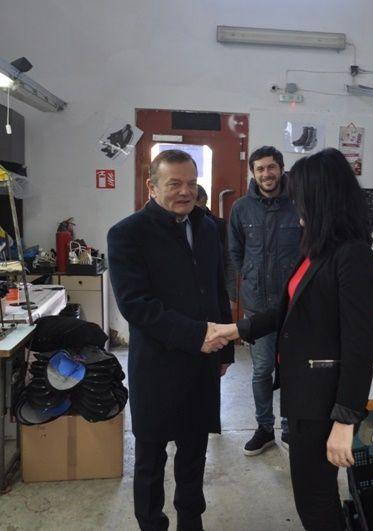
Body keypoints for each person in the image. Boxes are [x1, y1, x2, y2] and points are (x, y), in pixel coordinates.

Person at [212, 148, 373, 530]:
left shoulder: (353, 256)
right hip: (302, 395)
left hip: (324, 404)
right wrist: (236, 329)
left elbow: (360, 345)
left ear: (322, 199)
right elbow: (286, 312)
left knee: (316, 502)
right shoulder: (317, 250)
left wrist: (345, 420)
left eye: (301, 196)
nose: (295, 205)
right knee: (310, 497)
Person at [108, 149, 234, 531]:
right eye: (174, 183)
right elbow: (136, 305)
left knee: (194, 452)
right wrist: (198, 335)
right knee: (151, 457)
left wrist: (225, 348)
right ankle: (151, 523)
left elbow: (217, 290)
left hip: (202, 362)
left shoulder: (208, 227)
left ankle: (191, 521)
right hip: (157, 364)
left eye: (192, 183)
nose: (185, 192)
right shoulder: (127, 234)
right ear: (152, 186)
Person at [228, 145, 301, 455]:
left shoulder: (299, 205)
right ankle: (265, 428)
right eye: (260, 169)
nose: (266, 174)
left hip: (294, 306)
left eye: (271, 167)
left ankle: (290, 426)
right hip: (258, 304)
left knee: (293, 370)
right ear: (253, 173)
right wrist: (247, 279)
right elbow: (234, 252)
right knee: (261, 371)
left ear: (281, 169)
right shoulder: (241, 209)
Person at [195, 185, 236, 303]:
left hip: (214, 290)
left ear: (204, 200)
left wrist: (231, 294)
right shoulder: (178, 224)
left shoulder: (218, 226)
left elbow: (229, 260)